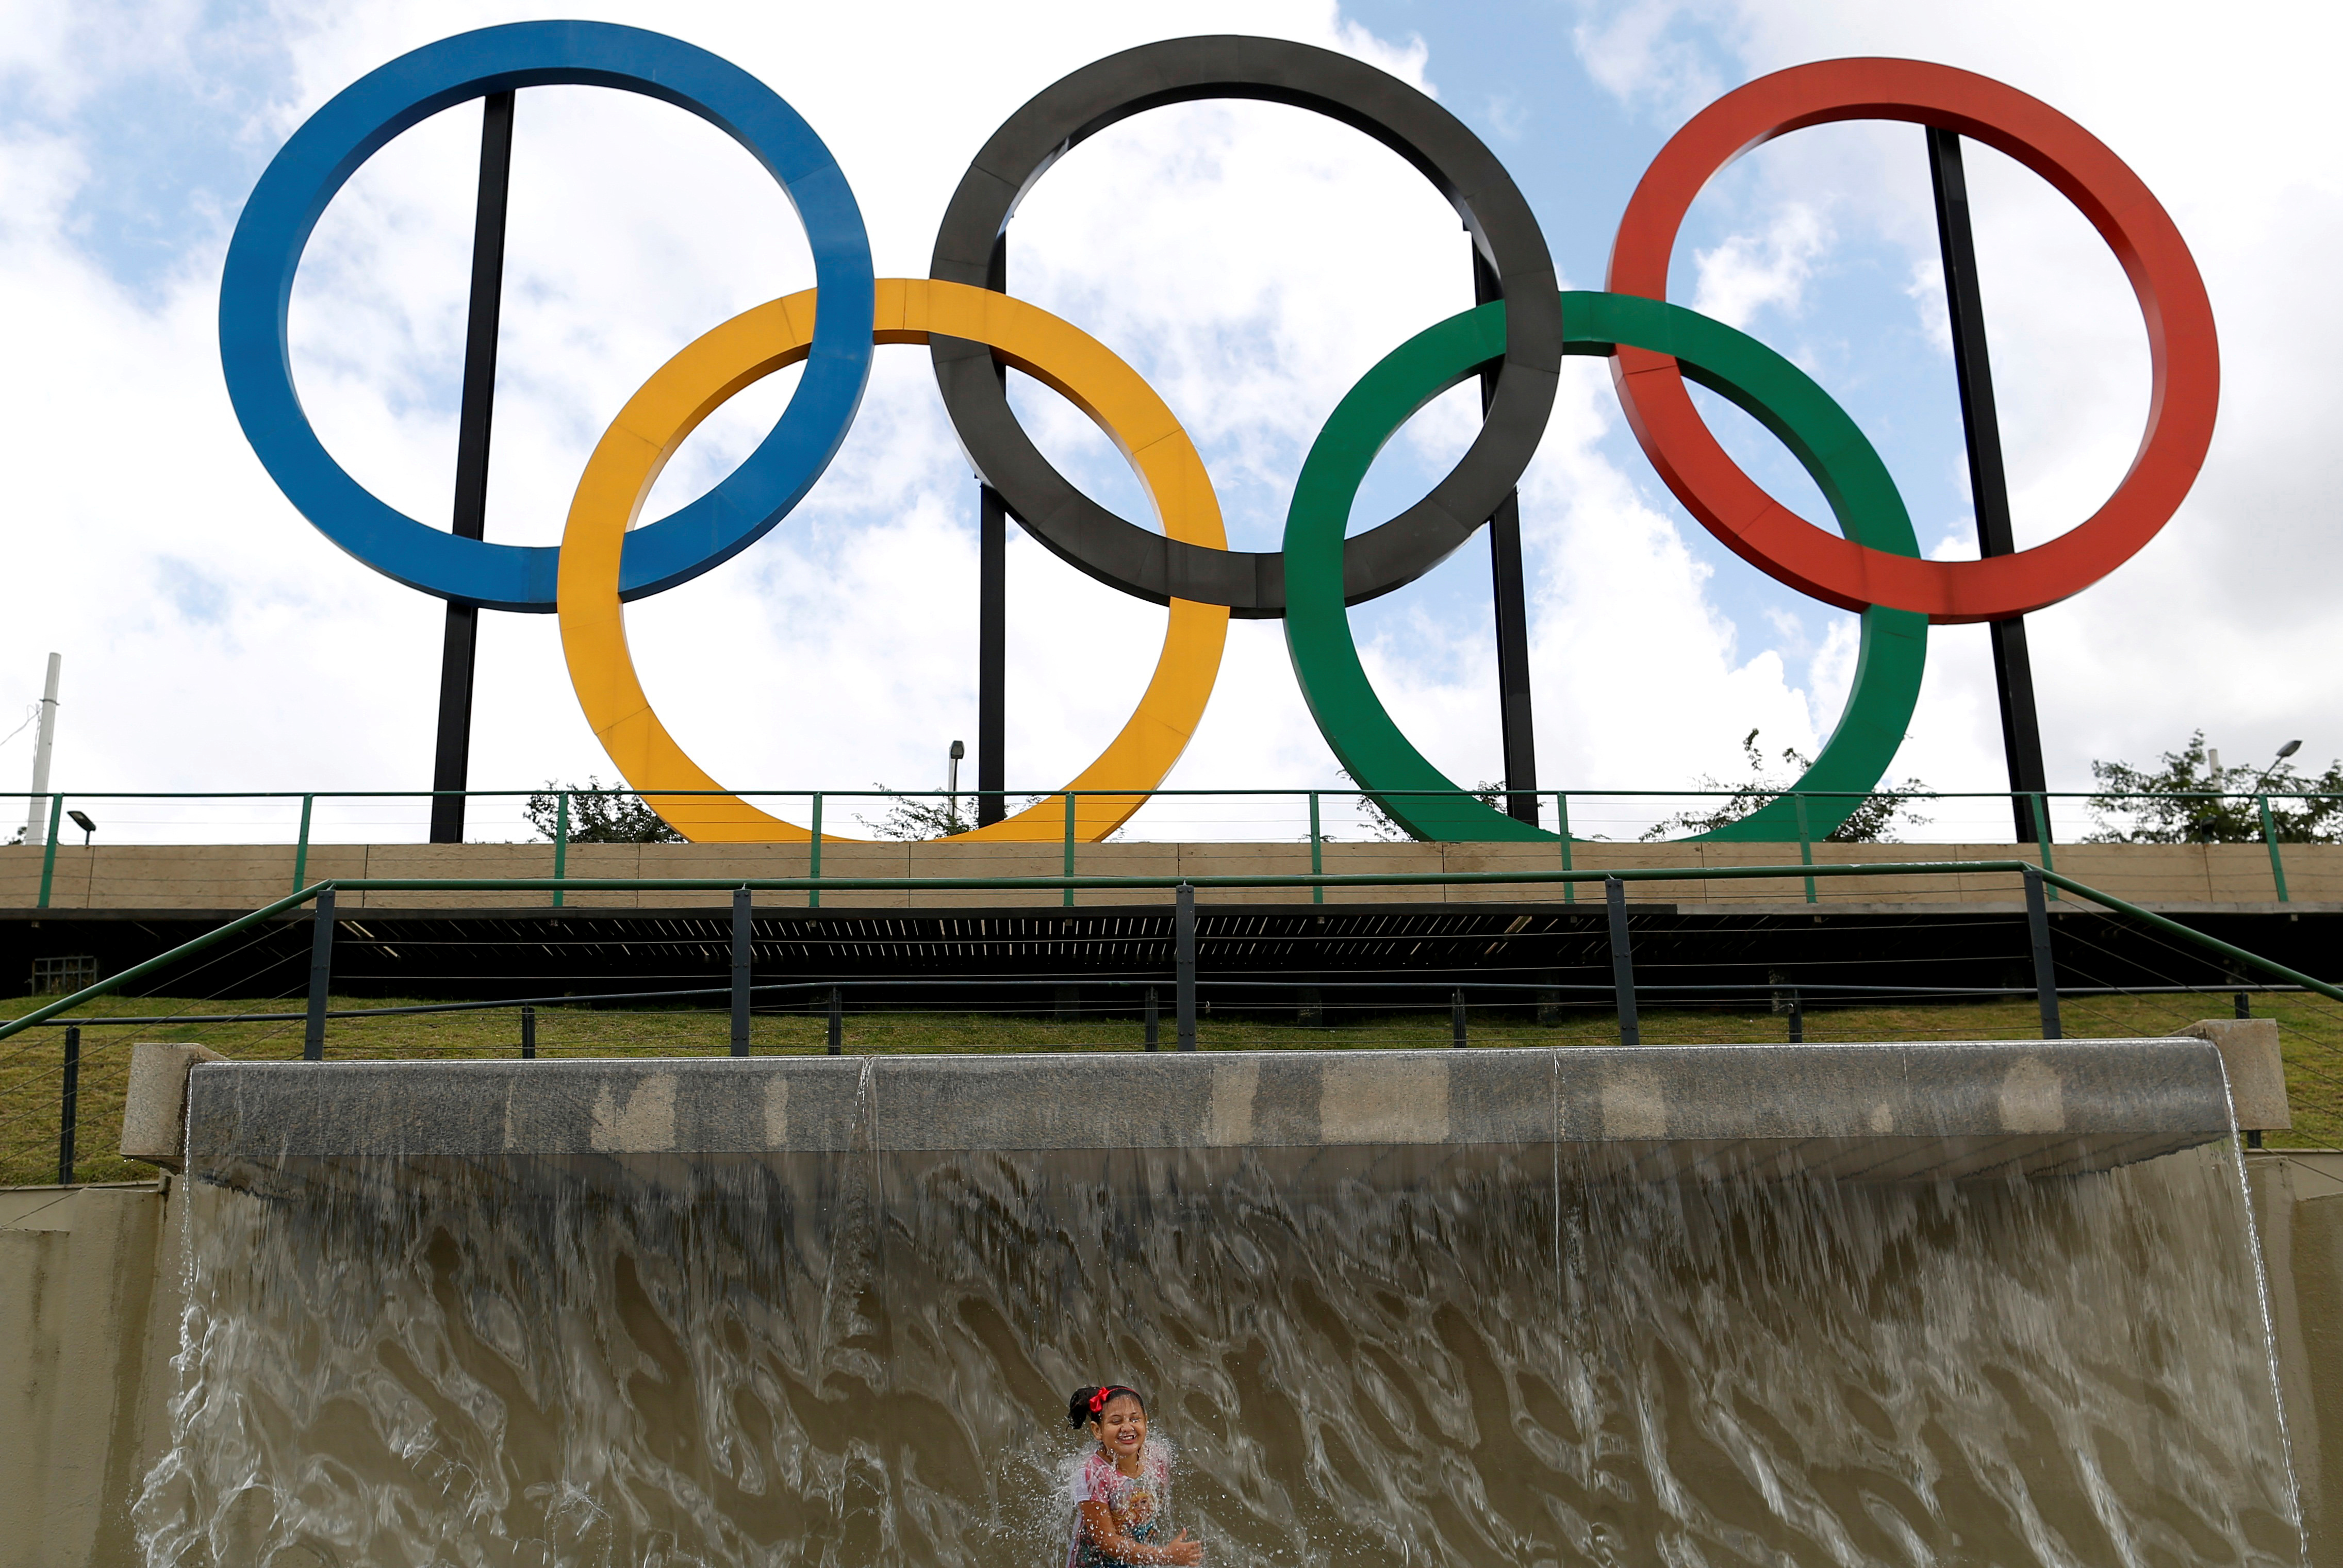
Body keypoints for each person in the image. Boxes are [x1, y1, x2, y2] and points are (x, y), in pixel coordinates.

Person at [1064, 1384, 1201, 1567]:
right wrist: (1165, 1556)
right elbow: (1108, 1542)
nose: (1127, 1428)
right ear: (1098, 1430)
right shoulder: (1094, 1474)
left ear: (1145, 1421)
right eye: (1116, 1422)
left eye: (1135, 1419)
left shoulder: (1158, 1458)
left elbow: (1155, 1510)